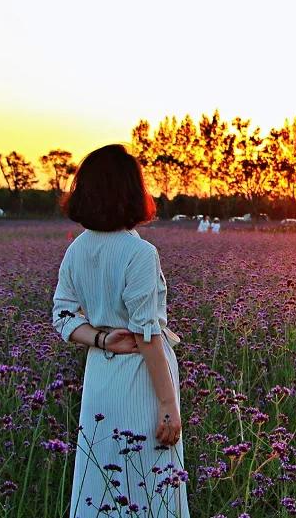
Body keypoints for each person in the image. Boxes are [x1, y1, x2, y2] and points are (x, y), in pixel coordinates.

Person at [52, 145, 189, 518]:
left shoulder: (77, 249)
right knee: (149, 482)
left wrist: (99, 339)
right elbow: (148, 334)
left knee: (103, 480)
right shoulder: (139, 253)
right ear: (131, 190)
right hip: (138, 379)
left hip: (100, 376)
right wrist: (166, 405)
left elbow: (62, 315)